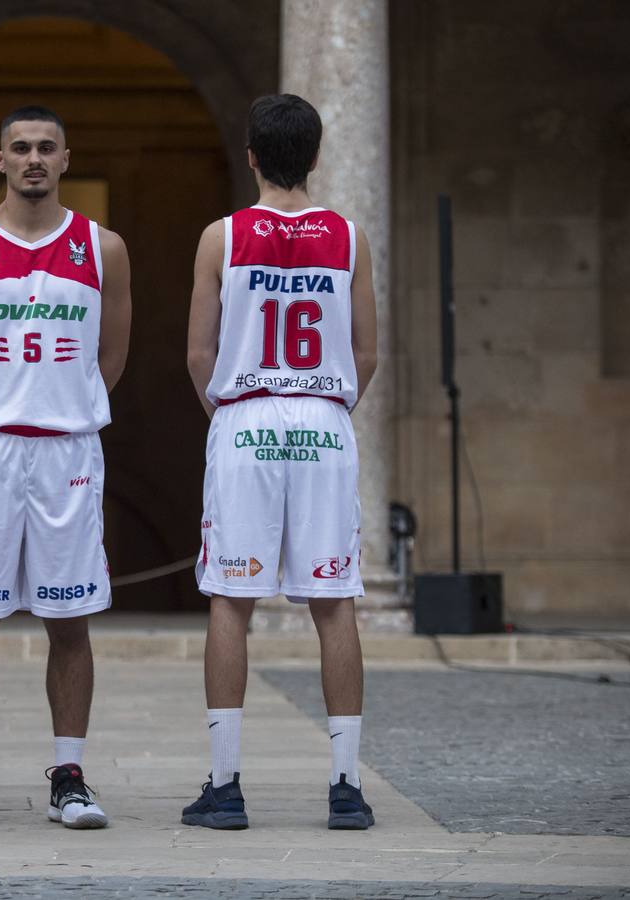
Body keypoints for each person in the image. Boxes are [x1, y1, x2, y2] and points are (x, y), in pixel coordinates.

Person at [0, 106, 131, 830]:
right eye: (21, 148)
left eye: (47, 147)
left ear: (67, 158)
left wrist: (63, 401)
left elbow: (113, 354)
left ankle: (69, 774)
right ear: (1, 158)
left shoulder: (103, 247)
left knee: (69, 619)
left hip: (67, 448)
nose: (34, 158)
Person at [182, 94, 379, 831]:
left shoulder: (221, 236)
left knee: (231, 598)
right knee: (336, 600)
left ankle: (226, 785)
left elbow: (200, 351)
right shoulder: (348, 236)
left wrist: (230, 416)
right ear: (317, 156)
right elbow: (367, 349)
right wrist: (329, 409)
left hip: (246, 414)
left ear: (252, 155)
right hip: (325, 416)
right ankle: (346, 785)